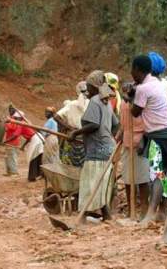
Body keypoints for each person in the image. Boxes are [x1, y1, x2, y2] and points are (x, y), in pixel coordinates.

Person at [129, 55, 167, 223]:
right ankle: (163, 211)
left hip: (159, 134)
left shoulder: (143, 89)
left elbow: (135, 112)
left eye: (132, 70)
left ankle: (151, 213)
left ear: (137, 69)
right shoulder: (159, 83)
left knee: (158, 174)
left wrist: (129, 96)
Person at [69, 70, 118, 221]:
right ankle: (106, 214)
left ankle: (82, 216)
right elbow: (116, 124)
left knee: (89, 182)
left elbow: (94, 124)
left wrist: (76, 133)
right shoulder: (106, 102)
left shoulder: (95, 101)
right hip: (107, 147)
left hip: (97, 150)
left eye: (89, 87)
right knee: (100, 183)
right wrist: (107, 136)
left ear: (95, 87)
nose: (87, 90)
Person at [115, 82, 150, 218]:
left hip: (140, 142)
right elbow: (123, 121)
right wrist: (120, 133)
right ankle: (131, 211)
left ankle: (144, 211)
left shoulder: (142, 100)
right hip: (127, 141)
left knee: (142, 178)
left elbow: (148, 121)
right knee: (128, 178)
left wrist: (143, 139)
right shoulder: (124, 102)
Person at [55, 81, 89, 167]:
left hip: (73, 135)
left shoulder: (71, 104)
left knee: (69, 161)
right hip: (84, 135)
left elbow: (56, 116)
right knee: (82, 162)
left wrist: (69, 128)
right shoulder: (90, 103)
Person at [3, 112, 21, 177]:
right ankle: (9, 172)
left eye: (15, 117)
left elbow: (14, 133)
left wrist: (6, 122)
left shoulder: (17, 124)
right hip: (9, 143)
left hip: (12, 143)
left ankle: (14, 172)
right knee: (7, 158)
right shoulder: (14, 122)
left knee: (12, 158)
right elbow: (6, 128)